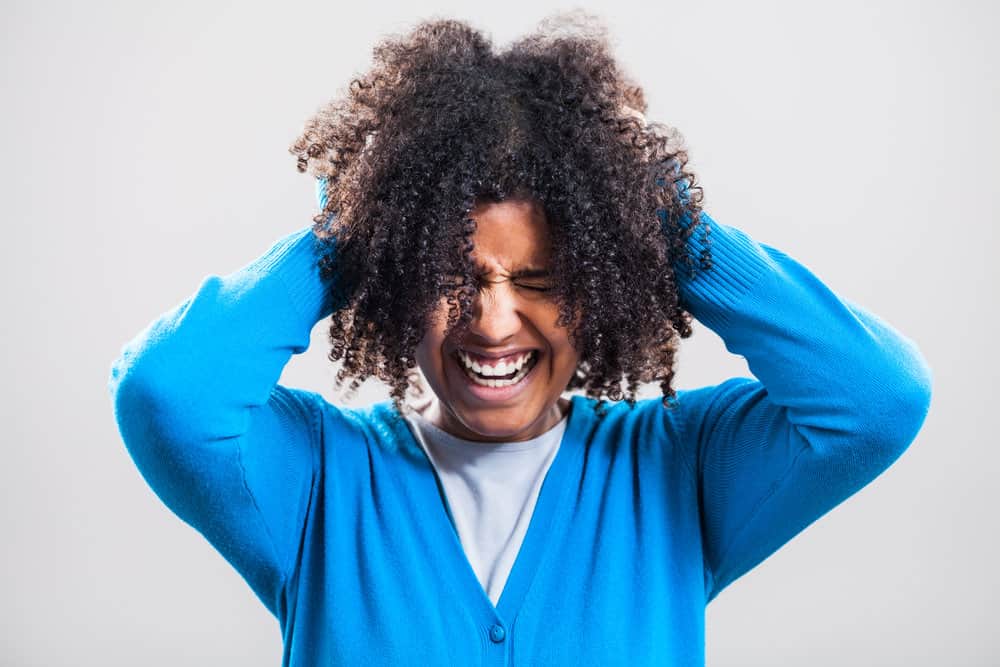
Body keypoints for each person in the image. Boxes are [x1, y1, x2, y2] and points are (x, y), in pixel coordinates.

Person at [107, 13, 932, 667]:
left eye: (538, 281)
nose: (494, 321)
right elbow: (166, 391)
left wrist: (681, 236)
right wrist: (348, 234)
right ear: (395, 281)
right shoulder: (320, 482)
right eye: (448, 276)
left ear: (602, 287)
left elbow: (877, 398)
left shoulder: (678, 471)